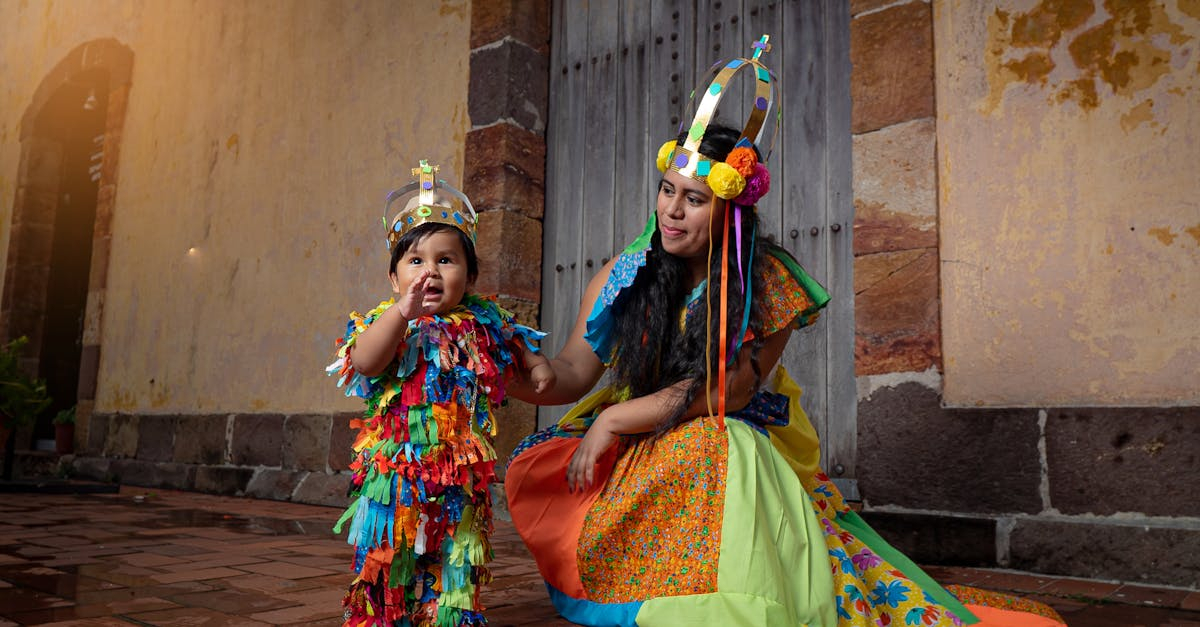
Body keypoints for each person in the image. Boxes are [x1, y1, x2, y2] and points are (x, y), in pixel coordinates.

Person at [504, 37, 1065, 626]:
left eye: (694, 199)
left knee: (716, 444)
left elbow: (728, 393)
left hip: (718, 429)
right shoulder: (626, 274)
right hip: (644, 437)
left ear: (730, 210)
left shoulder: (764, 281)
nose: (671, 211)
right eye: (667, 190)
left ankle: (725, 603)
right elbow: (569, 373)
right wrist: (513, 370)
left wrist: (616, 418)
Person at [327, 160, 554, 627]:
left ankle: (449, 617)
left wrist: (538, 363)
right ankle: (384, 617)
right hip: (397, 475)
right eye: (415, 261)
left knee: (456, 558)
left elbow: (516, 340)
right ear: (394, 280)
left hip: (460, 478)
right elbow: (367, 362)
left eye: (445, 260)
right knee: (391, 556)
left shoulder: (479, 320)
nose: (429, 271)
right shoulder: (387, 322)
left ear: (469, 278)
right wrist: (400, 315)